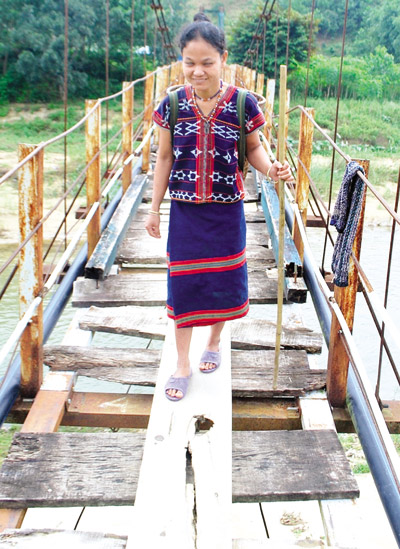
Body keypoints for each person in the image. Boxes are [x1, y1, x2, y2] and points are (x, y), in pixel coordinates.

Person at [145, 14, 293, 401]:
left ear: (223, 59)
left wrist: (271, 169)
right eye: (189, 62)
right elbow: (163, 158)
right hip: (185, 213)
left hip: (227, 212)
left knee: (223, 284)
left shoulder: (243, 103)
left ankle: (213, 342)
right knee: (183, 286)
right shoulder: (171, 105)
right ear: (181, 61)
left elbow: (254, 148)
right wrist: (153, 208)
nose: (198, 71)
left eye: (207, 62)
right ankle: (182, 363)